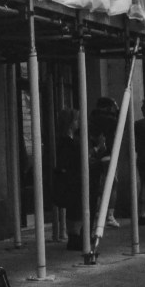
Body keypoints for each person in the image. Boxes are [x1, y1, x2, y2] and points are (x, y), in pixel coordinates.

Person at [53, 109, 83, 250]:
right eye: (76, 120)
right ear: (70, 123)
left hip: (71, 177)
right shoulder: (67, 141)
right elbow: (69, 160)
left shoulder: (67, 140)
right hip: (72, 179)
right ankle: (74, 236)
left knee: (74, 208)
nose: (78, 122)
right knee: (75, 207)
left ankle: (74, 235)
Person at [89, 95, 120, 228]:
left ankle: (97, 211)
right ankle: (109, 215)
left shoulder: (92, 118)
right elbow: (121, 123)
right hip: (108, 153)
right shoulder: (111, 120)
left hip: (95, 155)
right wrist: (117, 108)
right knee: (112, 183)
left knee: (97, 184)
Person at [135, 98, 145, 225]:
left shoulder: (138, 124)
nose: (141, 109)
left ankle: (142, 213)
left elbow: (135, 143)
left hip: (142, 157)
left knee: (144, 184)